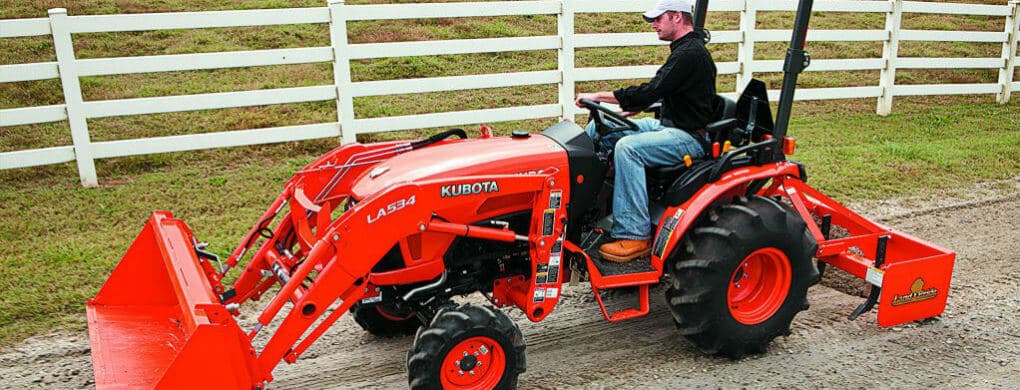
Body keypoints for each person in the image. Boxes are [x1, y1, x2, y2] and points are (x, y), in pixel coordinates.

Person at [575, 0, 717, 263]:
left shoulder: (690, 54)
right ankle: (586, 209)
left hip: (687, 137)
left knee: (628, 149)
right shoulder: (684, 50)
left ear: (676, 17)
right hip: (670, 124)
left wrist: (600, 96)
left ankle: (634, 234)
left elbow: (653, 89)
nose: (654, 24)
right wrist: (635, 107)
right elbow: (669, 92)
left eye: (658, 19)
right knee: (602, 127)